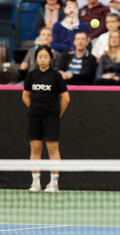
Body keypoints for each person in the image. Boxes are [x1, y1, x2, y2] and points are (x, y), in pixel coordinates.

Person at [23, 45, 70, 193]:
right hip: (34, 117)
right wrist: (34, 108)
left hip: (51, 118)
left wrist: (57, 114)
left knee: (53, 150)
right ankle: (35, 182)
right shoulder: (31, 75)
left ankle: (54, 183)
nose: (43, 59)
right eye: (40, 57)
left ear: (50, 59)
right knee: (35, 149)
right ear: (36, 59)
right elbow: (25, 96)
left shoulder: (56, 76)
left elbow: (66, 99)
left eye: (45, 56)